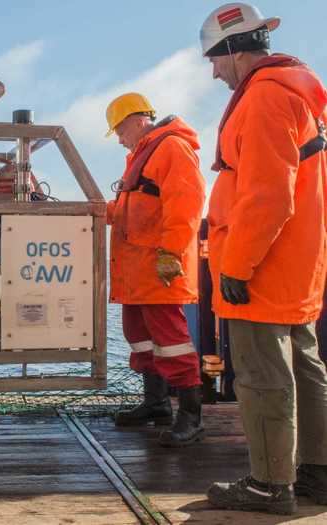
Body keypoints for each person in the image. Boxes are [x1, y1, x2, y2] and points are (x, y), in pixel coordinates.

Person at [199, 2, 327, 515]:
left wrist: (237, 266)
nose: (212, 71)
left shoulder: (265, 100)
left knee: (261, 376)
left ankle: (270, 485)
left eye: (214, 59)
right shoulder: (300, 94)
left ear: (233, 50)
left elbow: (268, 195)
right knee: (304, 365)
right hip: (298, 262)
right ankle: (317, 472)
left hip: (262, 268)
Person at [105, 92, 206, 447]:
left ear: (136, 120)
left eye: (118, 130)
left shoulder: (172, 148)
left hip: (157, 267)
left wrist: (171, 253)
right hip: (136, 271)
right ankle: (157, 403)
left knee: (172, 341)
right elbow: (128, 208)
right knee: (140, 337)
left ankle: (192, 417)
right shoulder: (142, 156)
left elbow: (187, 203)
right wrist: (93, 210)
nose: (118, 139)